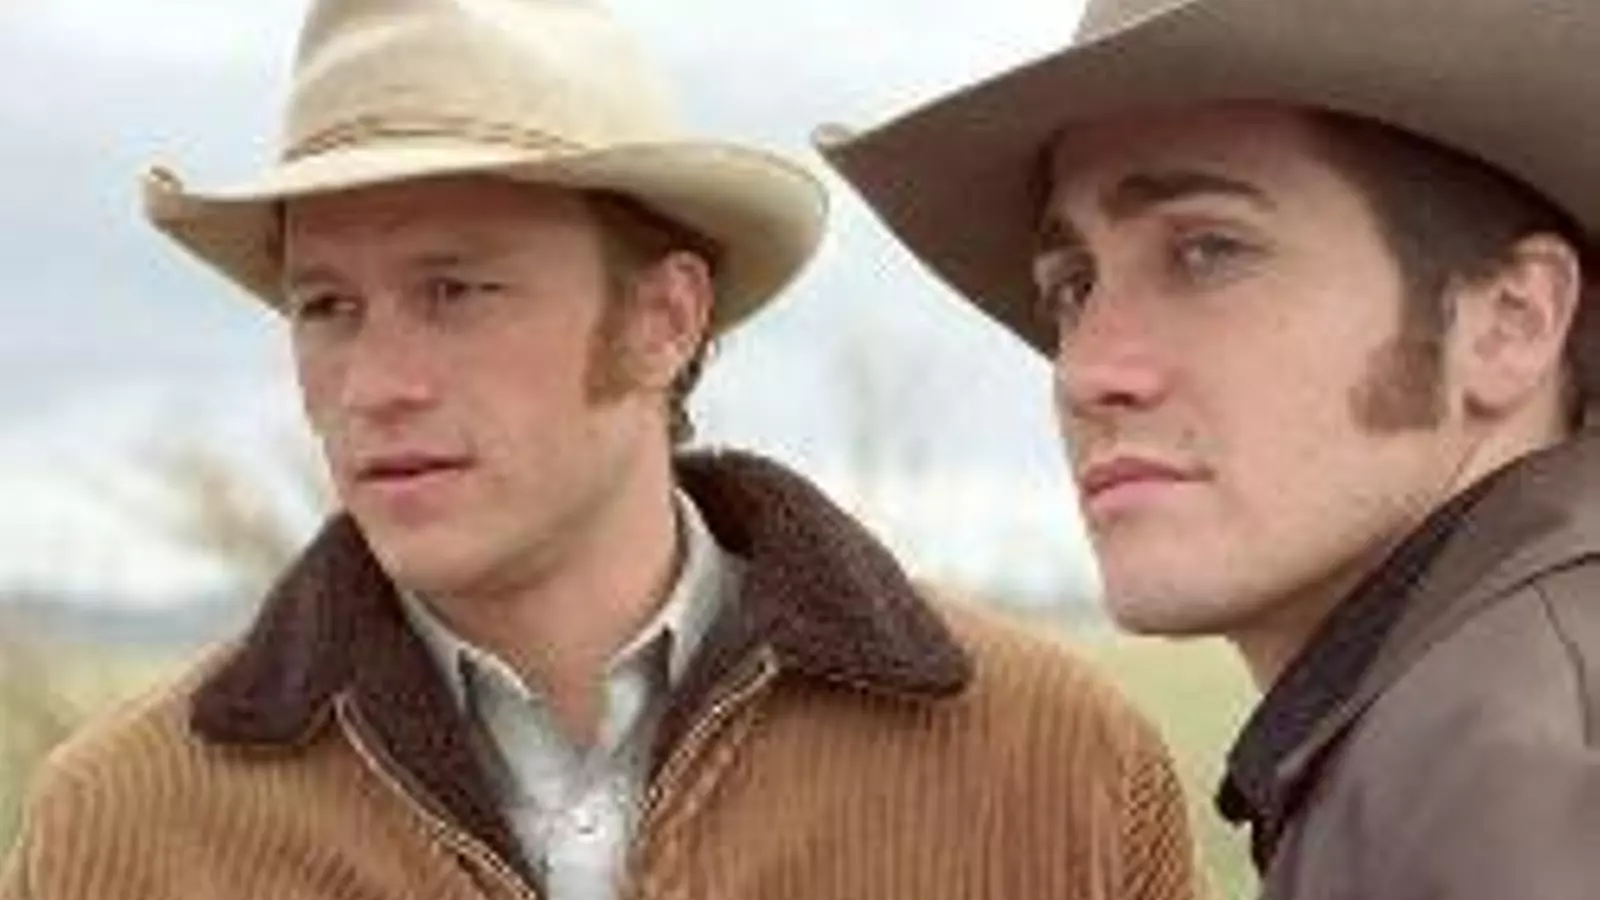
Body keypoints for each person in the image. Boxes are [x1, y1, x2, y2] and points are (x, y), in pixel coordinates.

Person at [1, 1, 1206, 898]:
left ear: (663, 321)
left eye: (455, 291)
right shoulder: (123, 829)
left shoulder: (1051, 767)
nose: (372, 386)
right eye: (326, 307)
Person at [822, 0, 1600, 896]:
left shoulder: (1494, 776)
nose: (1086, 372)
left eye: (1208, 252)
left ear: (1509, 322)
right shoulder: (1454, 735)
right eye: (1072, 287)